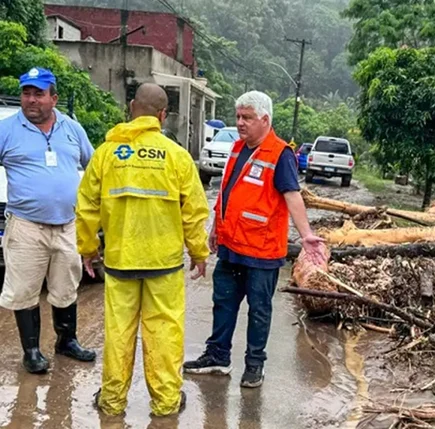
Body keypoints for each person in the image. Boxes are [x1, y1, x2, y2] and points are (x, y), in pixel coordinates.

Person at [75, 83, 209, 416]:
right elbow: (194, 210)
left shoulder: (107, 153)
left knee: (118, 334)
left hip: (120, 261)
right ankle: (165, 404)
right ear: (163, 116)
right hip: (163, 265)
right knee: (164, 333)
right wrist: (199, 252)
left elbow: (87, 205)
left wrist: (88, 248)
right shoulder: (176, 156)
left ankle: (112, 401)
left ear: (132, 107)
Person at [183, 91, 327, 388]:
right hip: (231, 247)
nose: (240, 123)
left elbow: (292, 195)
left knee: (259, 310)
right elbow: (227, 193)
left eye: (247, 118)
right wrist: (215, 229)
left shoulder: (280, 154)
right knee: (223, 303)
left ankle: (254, 365)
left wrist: (306, 235)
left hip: (262, 253)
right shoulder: (237, 149)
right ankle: (218, 357)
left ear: (265, 119)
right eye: (238, 117)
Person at [0, 67, 96, 374]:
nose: (31, 100)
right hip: (26, 226)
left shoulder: (72, 128)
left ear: (53, 98)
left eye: (39, 94)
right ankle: (32, 351)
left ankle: (66, 341)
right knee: (25, 290)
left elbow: (93, 168)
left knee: (66, 285)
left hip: (68, 225)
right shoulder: (6, 130)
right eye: (27, 93)